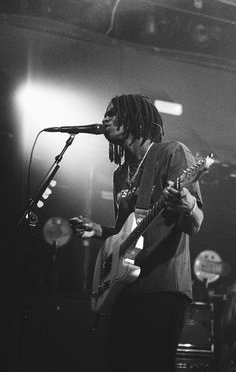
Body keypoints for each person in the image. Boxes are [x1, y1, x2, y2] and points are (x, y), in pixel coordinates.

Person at [70, 93, 204, 372]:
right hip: (124, 289)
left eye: (113, 112)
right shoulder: (121, 174)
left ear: (136, 118)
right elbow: (126, 235)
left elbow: (195, 223)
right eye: (105, 113)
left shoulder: (172, 153)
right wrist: (99, 231)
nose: (105, 118)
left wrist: (187, 203)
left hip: (162, 288)